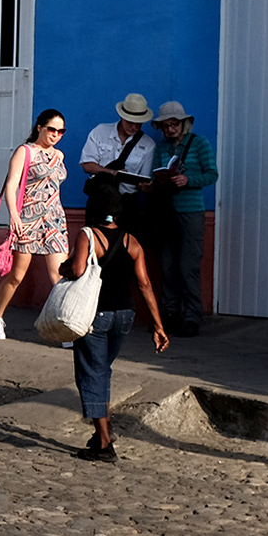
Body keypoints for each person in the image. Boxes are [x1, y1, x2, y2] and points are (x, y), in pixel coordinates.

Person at [64, 177, 169, 462]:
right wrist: (158, 326)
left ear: (93, 209)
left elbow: (75, 270)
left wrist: (64, 265)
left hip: (95, 316)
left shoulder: (87, 235)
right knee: (103, 371)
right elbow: (145, 285)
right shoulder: (131, 240)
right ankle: (99, 435)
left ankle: (105, 442)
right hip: (125, 316)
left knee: (91, 373)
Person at [0, 108, 70, 340]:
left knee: (59, 277)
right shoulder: (25, 152)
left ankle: (63, 330)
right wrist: (14, 214)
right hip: (28, 220)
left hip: (54, 220)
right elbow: (11, 185)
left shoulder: (60, 156)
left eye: (61, 131)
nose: (56, 134)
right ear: (39, 128)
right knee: (17, 275)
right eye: (52, 129)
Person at [148, 101, 216, 338]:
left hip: (191, 211)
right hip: (167, 212)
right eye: (166, 126)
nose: (170, 129)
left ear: (184, 123)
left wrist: (189, 180)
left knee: (188, 266)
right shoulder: (162, 148)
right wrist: (158, 182)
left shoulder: (200, 144)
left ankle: (192, 316)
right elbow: (156, 173)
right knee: (167, 265)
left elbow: (212, 174)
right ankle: (169, 314)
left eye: (174, 124)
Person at [79, 93, 156, 234]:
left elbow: (144, 178)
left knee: (124, 246)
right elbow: (87, 165)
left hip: (126, 202)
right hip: (100, 198)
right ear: (122, 117)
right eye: (130, 122)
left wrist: (145, 185)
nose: (133, 127)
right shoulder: (100, 132)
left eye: (138, 124)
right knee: (94, 242)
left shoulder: (148, 144)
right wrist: (113, 173)